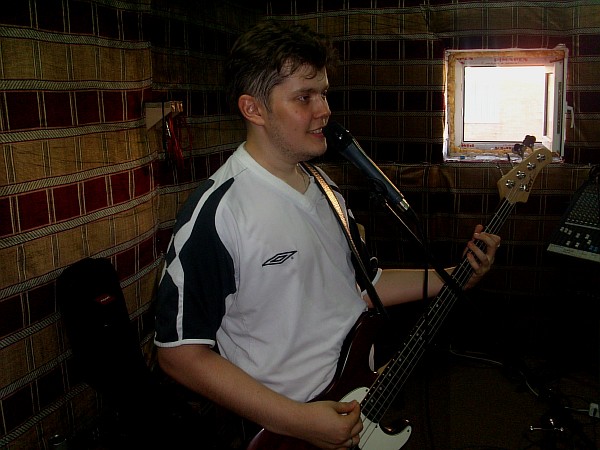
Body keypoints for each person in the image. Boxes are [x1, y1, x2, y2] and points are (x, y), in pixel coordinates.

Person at [153, 19, 501, 450]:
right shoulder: (218, 213)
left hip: (357, 401)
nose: (324, 110)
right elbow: (179, 354)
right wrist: (299, 421)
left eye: (323, 94)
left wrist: (457, 275)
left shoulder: (326, 190)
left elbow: (366, 286)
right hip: (287, 432)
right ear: (253, 109)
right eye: (305, 97)